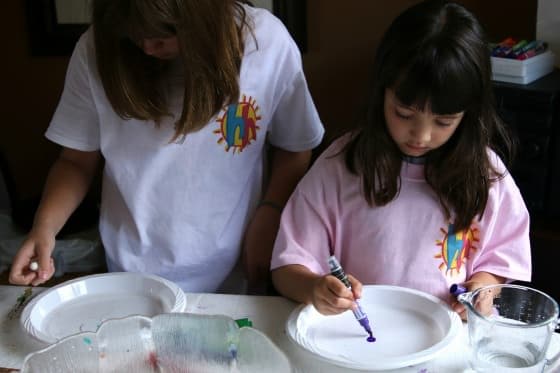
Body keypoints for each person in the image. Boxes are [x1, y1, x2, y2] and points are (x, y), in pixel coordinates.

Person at [9, 0, 324, 293]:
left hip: (234, 271)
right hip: (130, 273)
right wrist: (44, 228)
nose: (147, 46)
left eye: (166, 31)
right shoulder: (96, 49)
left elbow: (295, 147)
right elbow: (76, 162)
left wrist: (272, 213)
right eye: (134, 34)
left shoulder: (266, 43)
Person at [270, 0, 531, 319]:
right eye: (404, 114)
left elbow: (502, 256)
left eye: (444, 121)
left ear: (469, 114)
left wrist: (482, 288)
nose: (420, 136)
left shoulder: (484, 174)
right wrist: (314, 288)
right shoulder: (342, 165)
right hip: (362, 339)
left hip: (447, 338)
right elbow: (287, 266)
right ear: (382, 91)